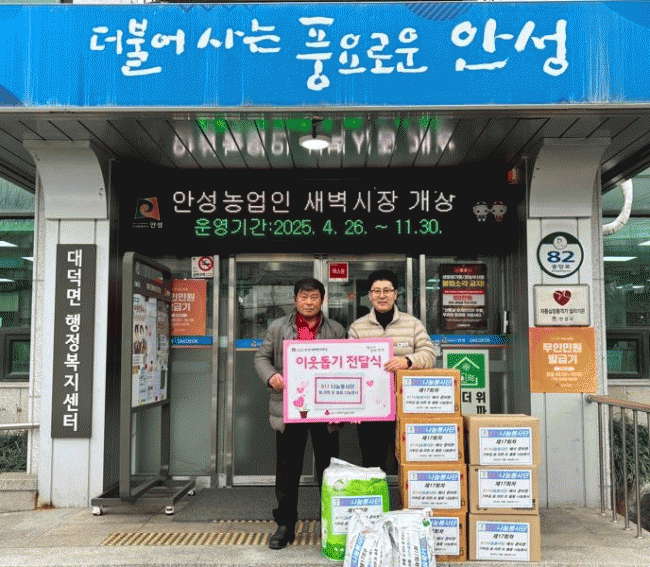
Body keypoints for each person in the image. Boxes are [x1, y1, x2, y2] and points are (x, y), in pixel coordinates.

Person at [255, 277, 345, 550]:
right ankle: (285, 524)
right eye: (303, 297)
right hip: (290, 408)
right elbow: (261, 357)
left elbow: (346, 365)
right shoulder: (278, 327)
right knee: (287, 469)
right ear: (295, 300)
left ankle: (330, 522)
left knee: (328, 469)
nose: (309, 302)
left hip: (325, 409)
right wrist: (271, 376)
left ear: (322, 300)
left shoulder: (336, 329)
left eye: (314, 297)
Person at [348, 269, 435, 470]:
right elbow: (350, 366)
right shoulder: (357, 328)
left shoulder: (413, 324)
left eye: (387, 290)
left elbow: (429, 355)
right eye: (376, 291)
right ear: (369, 295)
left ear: (396, 294)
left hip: (406, 405)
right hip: (371, 408)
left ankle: (406, 492)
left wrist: (408, 361)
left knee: (409, 461)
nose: (382, 295)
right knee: (372, 462)